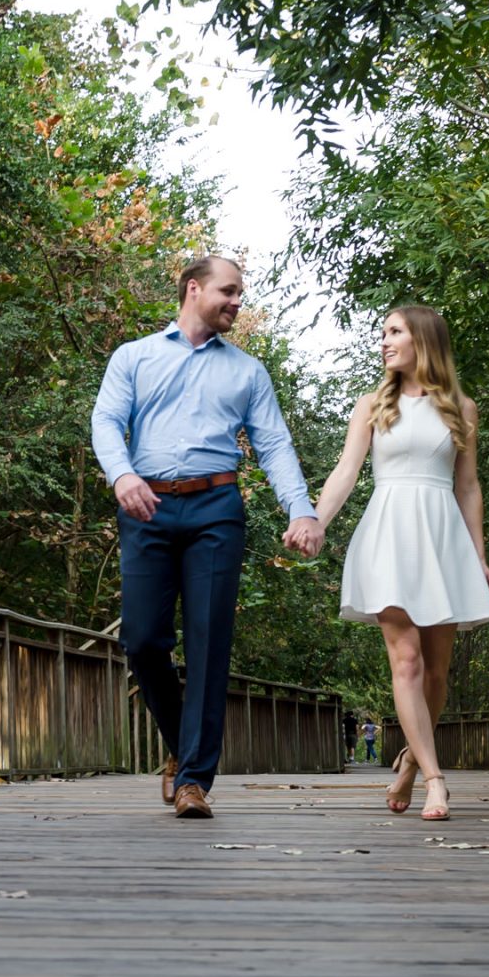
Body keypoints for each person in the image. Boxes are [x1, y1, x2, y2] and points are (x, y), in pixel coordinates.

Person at [91, 255, 321, 820]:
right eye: (229, 291)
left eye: (240, 293)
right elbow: (105, 422)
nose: (237, 302)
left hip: (217, 508)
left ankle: (195, 778)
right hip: (147, 506)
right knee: (142, 642)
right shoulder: (135, 357)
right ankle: (181, 748)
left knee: (210, 642)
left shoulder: (247, 372)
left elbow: (273, 446)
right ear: (193, 290)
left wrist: (301, 509)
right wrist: (122, 475)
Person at [309, 305, 489, 822]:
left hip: (443, 539)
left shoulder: (462, 407)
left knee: (437, 672)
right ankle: (437, 782)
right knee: (407, 661)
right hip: (389, 533)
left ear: (423, 340)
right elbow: (346, 472)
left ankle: (413, 761)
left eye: (394, 333)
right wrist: (317, 522)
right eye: (383, 334)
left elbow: (468, 485)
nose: (384, 342)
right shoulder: (372, 404)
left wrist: (478, 556)